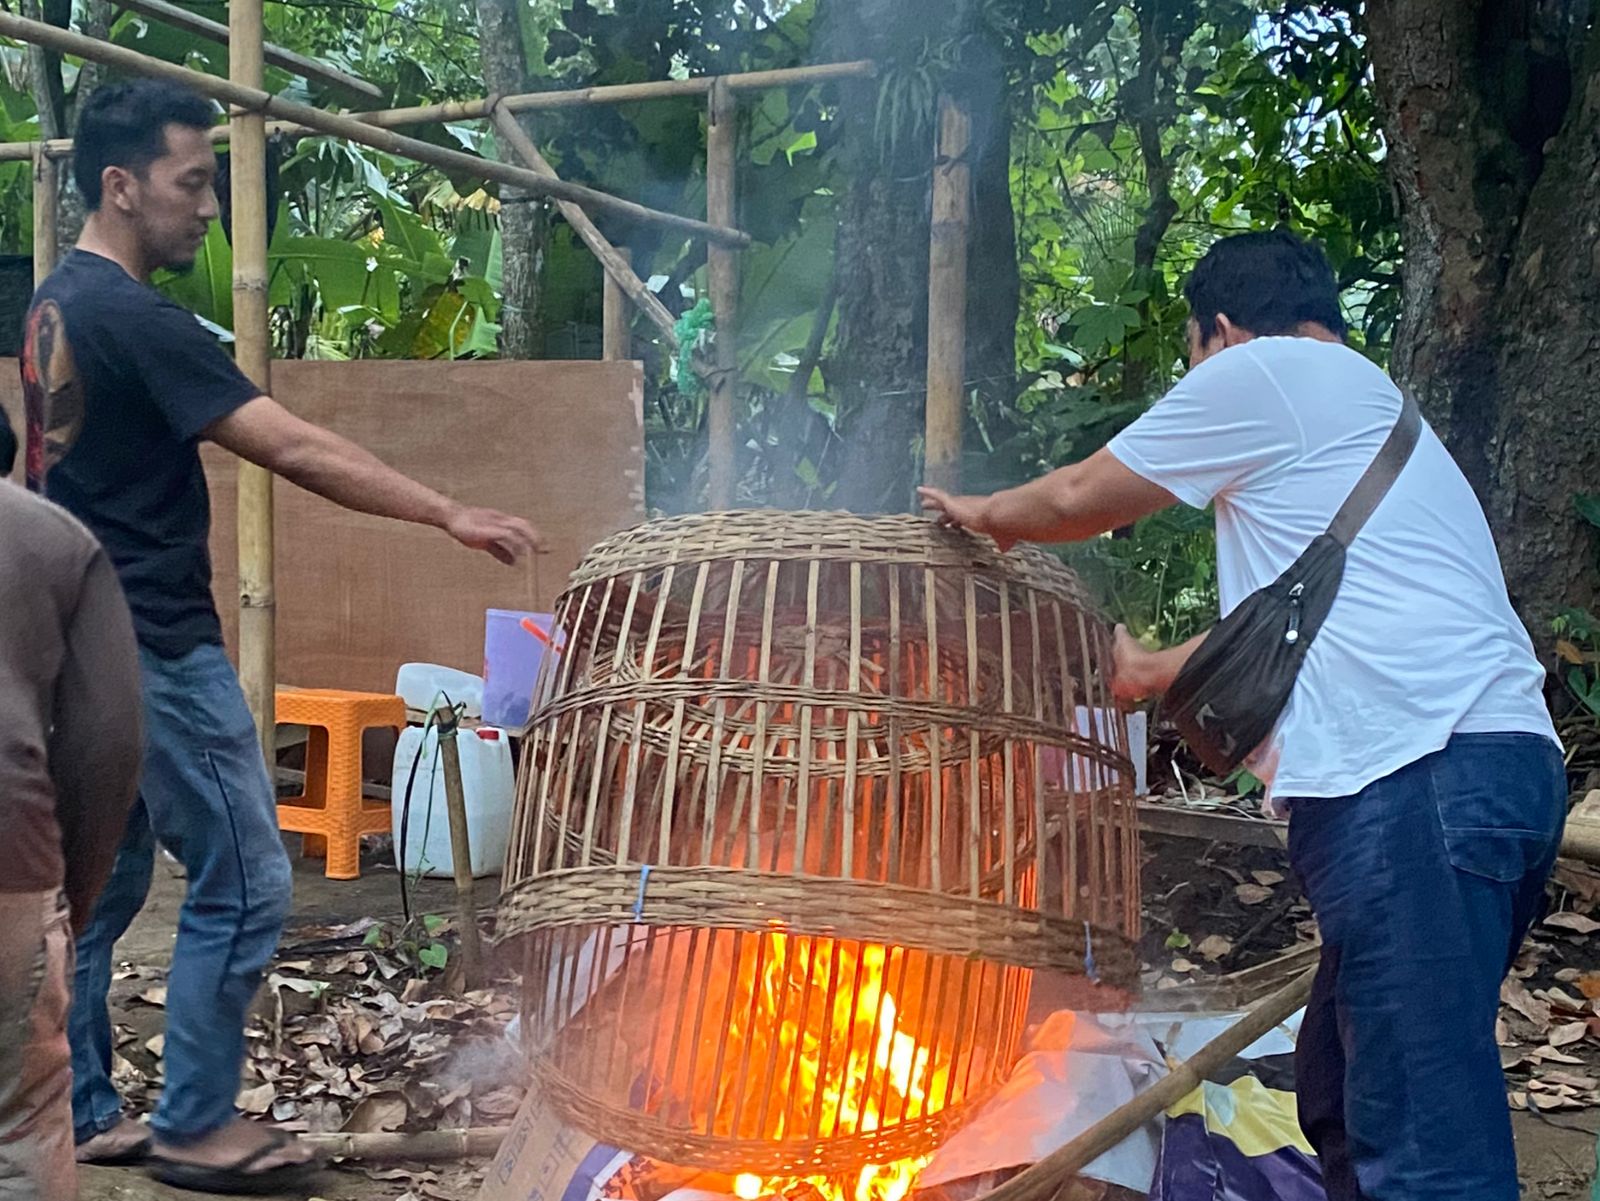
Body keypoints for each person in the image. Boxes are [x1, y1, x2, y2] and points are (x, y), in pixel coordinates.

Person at [920, 229, 1561, 1201]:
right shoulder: (1363, 408)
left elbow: (1082, 495)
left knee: (1423, 1143)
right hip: (1482, 774)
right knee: (1344, 1089)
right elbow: (1297, 625)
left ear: (1218, 330)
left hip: (1415, 779)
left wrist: (985, 515)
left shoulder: (1265, 370)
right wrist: (1150, 669)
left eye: (1192, 353)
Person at [21, 79, 543, 1193]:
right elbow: (292, 446)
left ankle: (83, 1107)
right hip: (155, 643)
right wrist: (446, 511)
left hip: (73, 643)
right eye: (191, 183)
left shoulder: (50, 305)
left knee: (103, 883)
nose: (210, 208)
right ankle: (195, 1123)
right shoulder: (135, 319)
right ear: (121, 186)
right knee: (252, 877)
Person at [0, 481, 143, 1201]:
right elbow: (108, 740)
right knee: (20, 1125)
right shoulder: (52, 537)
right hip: (9, 866)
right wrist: (68, 902)